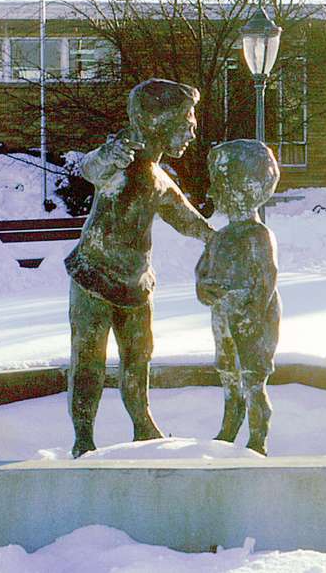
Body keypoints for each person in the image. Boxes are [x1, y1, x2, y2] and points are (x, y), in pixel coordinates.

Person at [65, 78, 214, 458]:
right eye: (187, 124)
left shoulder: (158, 178)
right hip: (93, 278)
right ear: (162, 123)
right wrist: (110, 153)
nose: (192, 134)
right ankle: (83, 436)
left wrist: (216, 238)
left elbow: (185, 218)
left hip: (135, 284)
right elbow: (90, 168)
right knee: (89, 360)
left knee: (138, 357)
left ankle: (143, 423)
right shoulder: (120, 161)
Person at [194, 139, 281, 455]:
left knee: (252, 379)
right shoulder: (221, 237)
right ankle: (230, 424)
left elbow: (266, 281)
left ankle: (258, 435)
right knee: (229, 375)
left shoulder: (258, 235)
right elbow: (202, 271)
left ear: (247, 188)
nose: (213, 192)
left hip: (251, 321)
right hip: (223, 316)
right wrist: (203, 288)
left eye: (221, 184)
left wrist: (253, 318)